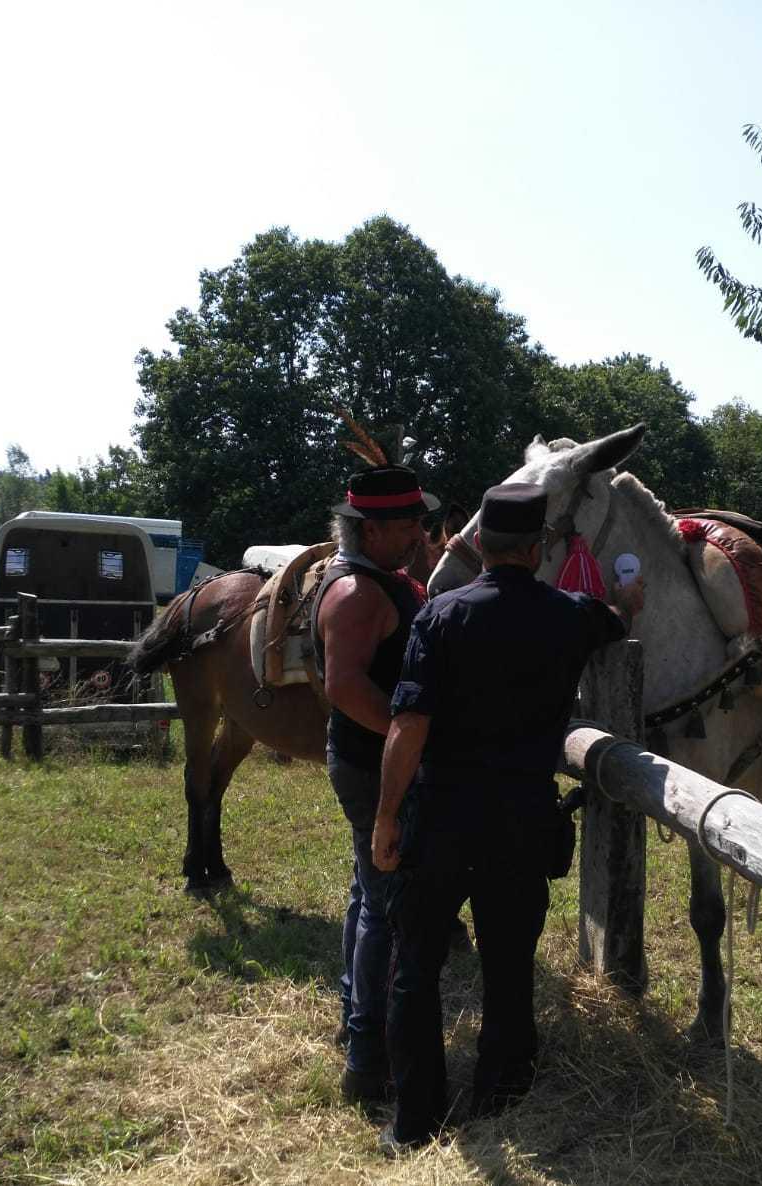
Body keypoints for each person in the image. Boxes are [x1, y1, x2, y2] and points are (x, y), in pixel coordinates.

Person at [372, 482, 646, 1153]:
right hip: (521, 820)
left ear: (480, 545)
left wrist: (385, 817)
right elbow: (615, 618)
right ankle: (501, 1099)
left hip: (439, 816)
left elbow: (408, 725)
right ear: (536, 548)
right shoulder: (572, 615)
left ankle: (415, 1120)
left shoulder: (439, 617)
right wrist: (627, 599)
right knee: (508, 966)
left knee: (415, 967)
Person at [311, 463, 437, 1107]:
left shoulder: (379, 579)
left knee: (369, 895)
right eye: (411, 521)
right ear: (376, 529)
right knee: (386, 910)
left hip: (370, 759)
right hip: (374, 764)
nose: (421, 529)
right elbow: (344, 685)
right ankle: (369, 1060)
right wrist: (406, 736)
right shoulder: (359, 594)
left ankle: (357, 1029)